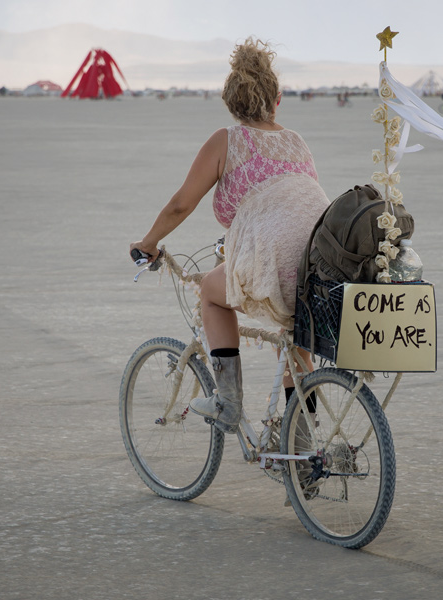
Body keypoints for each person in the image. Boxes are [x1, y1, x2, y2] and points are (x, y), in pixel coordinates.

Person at [129, 37, 330, 434]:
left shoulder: (227, 140)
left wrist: (147, 243)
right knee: (297, 334)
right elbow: (296, 207)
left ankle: (227, 403)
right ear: (276, 100)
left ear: (232, 103)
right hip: (320, 257)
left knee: (210, 290)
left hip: (274, 257)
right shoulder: (296, 140)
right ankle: (303, 448)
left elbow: (180, 205)